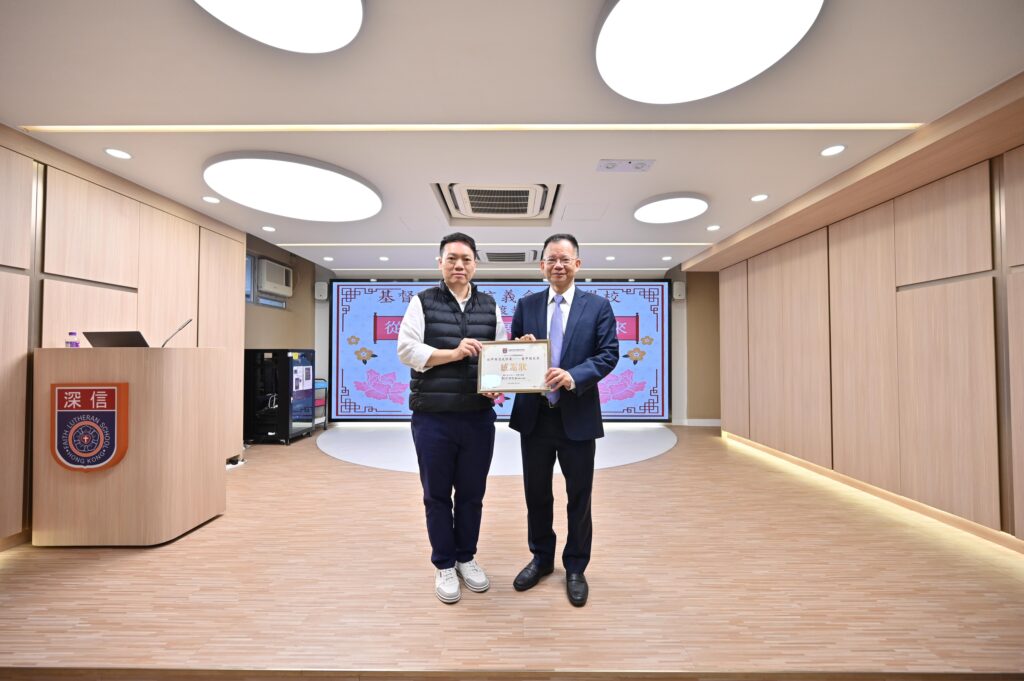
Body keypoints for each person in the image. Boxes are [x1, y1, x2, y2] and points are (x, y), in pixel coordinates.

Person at [509, 233, 619, 607]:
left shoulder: (598, 306)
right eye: (552, 259)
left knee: (579, 496)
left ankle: (575, 566)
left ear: (577, 265)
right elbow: (513, 350)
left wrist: (573, 376)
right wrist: (520, 348)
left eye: (565, 259)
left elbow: (608, 354)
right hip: (535, 416)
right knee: (536, 494)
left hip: (578, 415)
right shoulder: (526, 305)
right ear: (542, 265)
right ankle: (541, 559)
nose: (558, 265)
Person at [397, 232, 507, 604]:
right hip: (433, 418)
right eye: (451, 259)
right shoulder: (422, 302)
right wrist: (454, 353)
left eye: (466, 259)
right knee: (437, 495)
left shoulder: (490, 305)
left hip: (478, 418)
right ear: (440, 263)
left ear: (475, 264)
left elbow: (497, 356)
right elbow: (407, 350)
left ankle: (466, 557)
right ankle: (444, 563)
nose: (459, 265)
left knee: (473, 495)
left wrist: (496, 386)